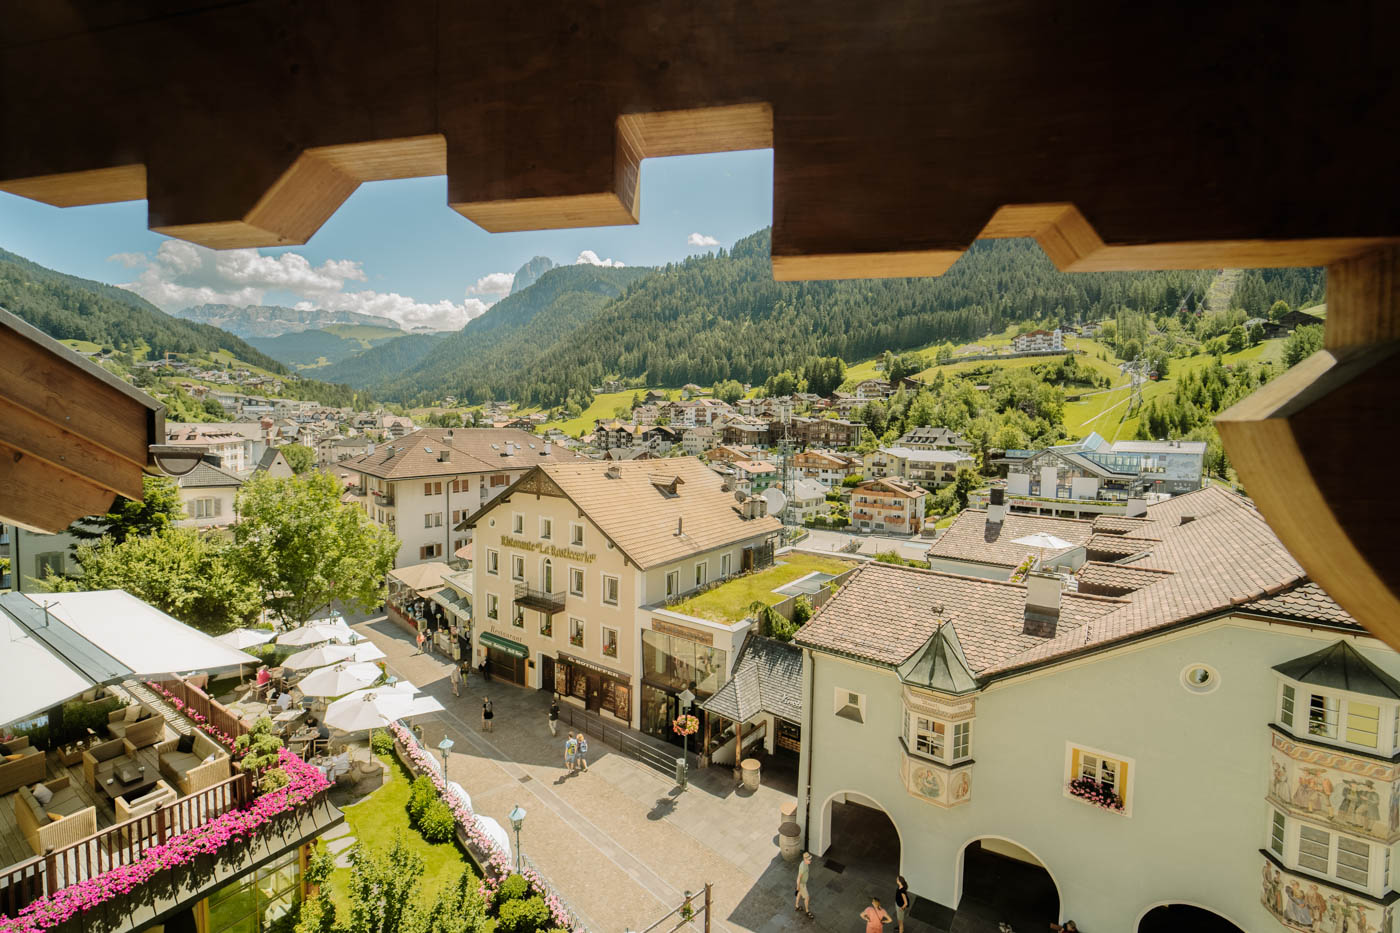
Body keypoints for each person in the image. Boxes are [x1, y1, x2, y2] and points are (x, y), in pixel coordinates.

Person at [794, 851, 812, 918]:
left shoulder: (806, 863)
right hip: (802, 884)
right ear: (805, 859)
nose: (810, 860)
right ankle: (807, 911)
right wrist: (798, 887)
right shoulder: (803, 867)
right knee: (807, 897)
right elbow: (798, 878)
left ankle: (797, 906)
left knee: (799, 894)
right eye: (809, 859)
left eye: (810, 859)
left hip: (803, 883)